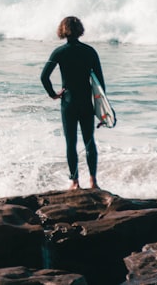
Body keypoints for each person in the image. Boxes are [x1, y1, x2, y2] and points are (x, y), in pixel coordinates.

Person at [40, 16, 106, 190]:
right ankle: (93, 181)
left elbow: (44, 76)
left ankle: (75, 182)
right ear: (80, 30)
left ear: (62, 30)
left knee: (71, 143)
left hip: (68, 103)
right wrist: (103, 110)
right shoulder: (90, 51)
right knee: (89, 141)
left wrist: (53, 94)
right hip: (86, 103)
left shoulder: (59, 52)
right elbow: (100, 84)